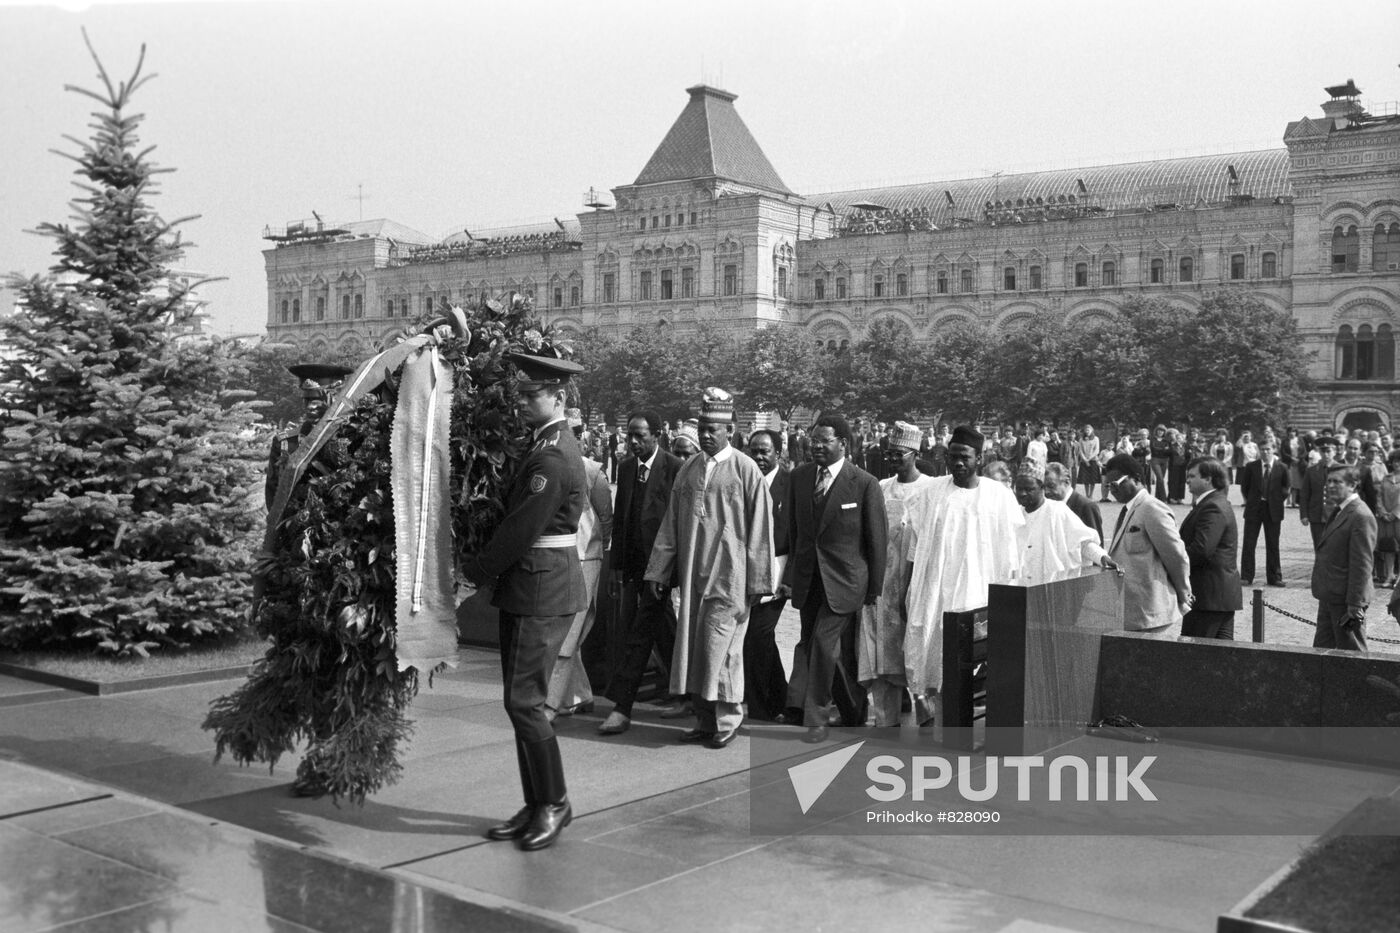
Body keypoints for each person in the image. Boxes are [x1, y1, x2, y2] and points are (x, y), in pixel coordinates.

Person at [462, 350, 587, 851]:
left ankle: (555, 802)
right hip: (531, 584)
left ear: (558, 396)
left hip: (543, 585)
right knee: (520, 703)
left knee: (526, 703)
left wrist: (474, 570)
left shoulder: (553, 454)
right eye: (519, 394)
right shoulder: (541, 444)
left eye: (531, 394)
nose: (521, 403)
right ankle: (536, 802)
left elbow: (522, 528)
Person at [645, 388, 774, 749]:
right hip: (693, 577)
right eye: (701, 426)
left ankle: (728, 720)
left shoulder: (746, 470)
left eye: (712, 428)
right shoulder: (689, 469)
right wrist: (658, 571)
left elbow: (762, 530)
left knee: (724, 649)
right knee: (696, 651)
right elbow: (671, 525)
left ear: (729, 431)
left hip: (731, 578)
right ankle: (704, 720)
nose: (705, 434)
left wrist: (759, 580)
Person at [902, 425, 1022, 728]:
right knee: (936, 656)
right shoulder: (931, 493)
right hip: (936, 589)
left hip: (977, 589)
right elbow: (915, 546)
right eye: (952, 456)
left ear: (978, 458)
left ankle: (968, 724)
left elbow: (1010, 552)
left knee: (973, 660)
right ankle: (939, 720)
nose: (957, 463)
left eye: (964, 457)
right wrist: (909, 589)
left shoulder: (998, 495)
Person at [781, 414, 886, 741]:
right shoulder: (799, 478)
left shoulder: (864, 483)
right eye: (814, 439)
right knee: (820, 647)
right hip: (809, 579)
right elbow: (795, 533)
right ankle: (854, 709)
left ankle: (816, 717)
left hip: (846, 582)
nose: (816, 445)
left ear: (844, 443)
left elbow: (876, 540)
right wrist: (789, 576)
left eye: (824, 440)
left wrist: (874, 588)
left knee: (824, 648)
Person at [598, 410, 682, 736]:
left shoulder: (675, 468)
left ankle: (622, 707)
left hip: (660, 571)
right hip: (632, 568)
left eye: (640, 436)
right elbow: (621, 521)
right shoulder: (627, 467)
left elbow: (678, 525)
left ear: (657, 434)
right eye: (630, 435)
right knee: (663, 630)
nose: (633, 442)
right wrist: (615, 569)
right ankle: (688, 694)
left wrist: (669, 572)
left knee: (639, 633)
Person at [858, 422, 934, 728]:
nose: (892, 458)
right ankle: (885, 718)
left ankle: (927, 713)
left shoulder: (932, 489)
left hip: (916, 580)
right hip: (883, 583)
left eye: (899, 453)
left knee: (916, 646)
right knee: (881, 651)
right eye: (888, 453)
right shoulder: (880, 487)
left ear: (915, 453)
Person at [545, 434, 612, 719]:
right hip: (558, 558)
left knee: (568, 634)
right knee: (568, 632)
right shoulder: (548, 465)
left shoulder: (592, 472)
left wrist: (596, 549)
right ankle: (580, 695)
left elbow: (606, 519)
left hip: (585, 557)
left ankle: (550, 704)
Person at [1103, 452, 1192, 632]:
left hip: (1151, 612)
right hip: (1131, 610)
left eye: (1115, 484)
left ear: (1136, 479)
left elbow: (1175, 555)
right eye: (1107, 485)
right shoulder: (1129, 509)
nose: (1112, 490)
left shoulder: (1152, 508)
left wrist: (1183, 591)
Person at [743, 429, 791, 722]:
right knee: (758, 636)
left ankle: (762, 707)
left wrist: (791, 578)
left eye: (765, 451)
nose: (759, 457)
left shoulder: (791, 484)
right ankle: (780, 697)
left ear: (779, 452)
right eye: (754, 451)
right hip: (748, 567)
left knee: (758, 634)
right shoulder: (745, 479)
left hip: (778, 570)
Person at [264, 362, 353, 511]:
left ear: (335, 399)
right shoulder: (285, 442)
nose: (310, 407)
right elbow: (273, 497)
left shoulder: (350, 438)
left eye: (317, 399)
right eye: (307, 400)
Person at [1313, 464, 1376, 652]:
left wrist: (1355, 604)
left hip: (1346, 600)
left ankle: (1359, 683)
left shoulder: (1360, 515)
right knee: (1321, 653)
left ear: (1353, 485)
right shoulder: (1340, 510)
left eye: (1337, 482)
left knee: (1352, 655)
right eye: (1329, 481)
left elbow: (1362, 564)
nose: (1330, 486)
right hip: (1330, 594)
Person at [1178, 457, 1242, 639]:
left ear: (1208, 479)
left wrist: (1171, 560)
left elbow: (1201, 550)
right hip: (1217, 597)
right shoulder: (1213, 502)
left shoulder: (1212, 506)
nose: (1187, 480)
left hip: (1209, 597)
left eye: (1192, 476)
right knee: (1220, 659)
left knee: (1197, 657)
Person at [1240, 438, 1290, 587]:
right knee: (1249, 543)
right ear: (1258, 451)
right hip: (1254, 508)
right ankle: (1246, 576)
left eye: (1268, 449)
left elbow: (1286, 488)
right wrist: (1255, 499)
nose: (1265, 452)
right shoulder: (1251, 466)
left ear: (1274, 450)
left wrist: (1274, 500)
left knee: (1273, 544)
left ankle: (1274, 577)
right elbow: (1245, 487)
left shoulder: (1282, 467)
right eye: (1262, 449)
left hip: (1273, 510)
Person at [1044, 461, 1103, 545]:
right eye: (1043, 487)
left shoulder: (1086, 507)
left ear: (1067, 482)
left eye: (1051, 486)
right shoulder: (1049, 505)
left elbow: (1097, 545)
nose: (1046, 492)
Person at [1299, 435, 1339, 550]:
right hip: (1317, 515)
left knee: (1336, 548)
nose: (1326, 454)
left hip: (1336, 516)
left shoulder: (1342, 470)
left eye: (1328, 451)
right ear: (1319, 452)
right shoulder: (1311, 471)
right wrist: (1304, 514)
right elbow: (1305, 494)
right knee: (1319, 547)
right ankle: (1320, 568)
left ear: (1334, 452)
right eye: (1323, 451)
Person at [1376, 450, 1400, 588]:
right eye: (1395, 461)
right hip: (1385, 519)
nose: (1397, 464)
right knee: (1388, 546)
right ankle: (1389, 574)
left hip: (1398, 517)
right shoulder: (1386, 478)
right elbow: (1379, 496)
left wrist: (1395, 513)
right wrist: (1383, 512)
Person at [1075, 424, 1101, 500]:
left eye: (1088, 430)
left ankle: (1091, 495)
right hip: (1084, 461)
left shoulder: (1096, 439)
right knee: (1086, 479)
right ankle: (1087, 494)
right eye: (1086, 430)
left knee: (1092, 479)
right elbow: (1080, 450)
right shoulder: (1081, 439)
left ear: (1092, 430)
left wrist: (1089, 458)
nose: (1087, 431)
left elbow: (1097, 450)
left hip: (1093, 460)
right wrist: (1085, 459)